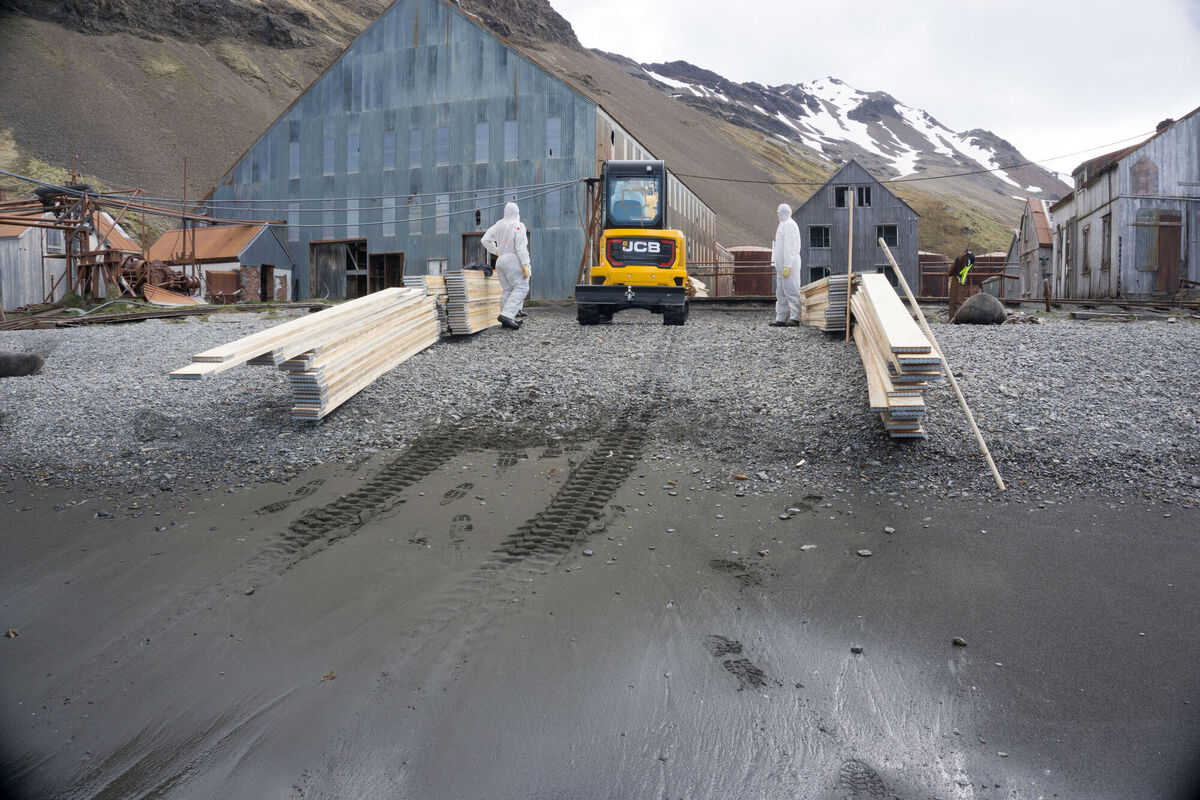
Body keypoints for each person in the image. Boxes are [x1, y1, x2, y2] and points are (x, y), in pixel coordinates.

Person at [481, 202, 531, 329]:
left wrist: (496, 251)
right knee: (522, 288)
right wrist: (525, 265)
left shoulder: (498, 225)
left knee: (508, 289)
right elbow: (521, 248)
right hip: (513, 259)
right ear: (517, 213)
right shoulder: (517, 225)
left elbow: (485, 240)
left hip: (500, 260)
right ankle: (507, 315)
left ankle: (507, 318)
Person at [770, 203, 803, 327]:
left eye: (779, 212)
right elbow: (779, 247)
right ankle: (780, 318)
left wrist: (787, 265)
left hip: (789, 265)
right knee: (781, 293)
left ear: (783, 213)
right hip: (781, 266)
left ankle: (795, 317)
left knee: (792, 290)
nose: (778, 214)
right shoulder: (782, 225)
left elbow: (790, 247)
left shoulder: (790, 225)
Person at [947, 249, 975, 319]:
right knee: (959, 299)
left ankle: (954, 317)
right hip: (961, 280)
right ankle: (957, 317)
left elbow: (950, 272)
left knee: (956, 299)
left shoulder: (962, 258)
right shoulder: (969, 259)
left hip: (959, 279)